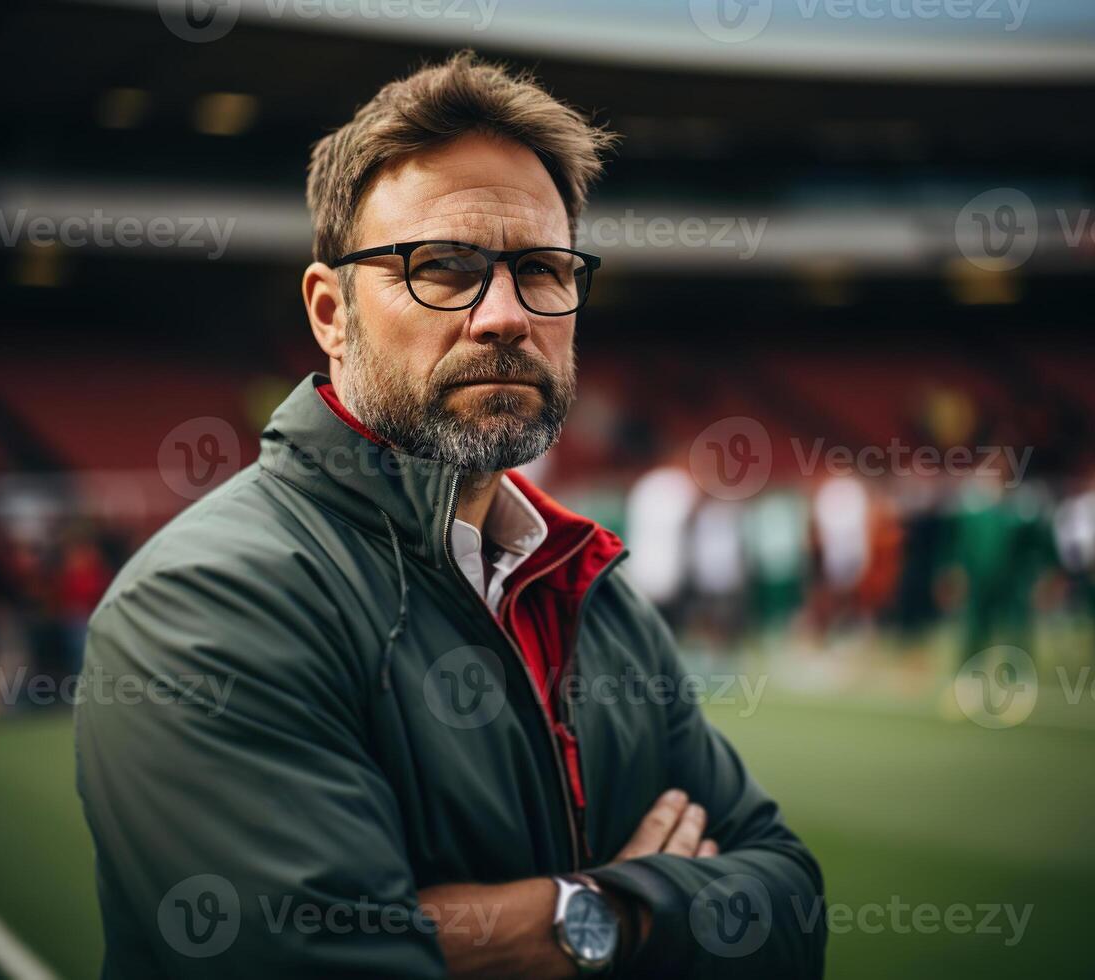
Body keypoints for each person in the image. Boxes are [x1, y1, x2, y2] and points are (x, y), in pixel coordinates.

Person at [75, 51, 825, 979]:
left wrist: (582, 920)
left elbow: (788, 906)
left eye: (544, 271)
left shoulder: (592, 593)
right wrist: (629, 919)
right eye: (442, 267)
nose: (506, 314)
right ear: (330, 312)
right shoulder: (206, 603)